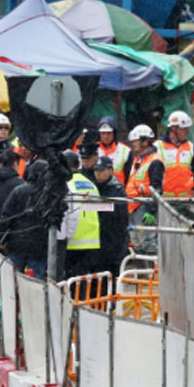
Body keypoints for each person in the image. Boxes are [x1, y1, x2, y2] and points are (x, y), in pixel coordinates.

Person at [0, 159, 50, 278]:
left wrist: (0, 238)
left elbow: (6, 216)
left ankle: (13, 296)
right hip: (40, 245)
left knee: (12, 278)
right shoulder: (49, 194)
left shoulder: (19, 191)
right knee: (36, 280)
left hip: (17, 243)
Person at [61, 150, 101, 279]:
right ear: (78, 164)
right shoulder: (90, 184)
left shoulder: (64, 184)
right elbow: (100, 209)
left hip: (72, 239)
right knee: (84, 280)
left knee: (71, 280)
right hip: (92, 239)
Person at [126, 124, 164, 255]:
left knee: (148, 244)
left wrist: (151, 210)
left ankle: (152, 273)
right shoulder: (138, 159)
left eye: (135, 142)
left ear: (145, 142)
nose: (133, 145)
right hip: (133, 205)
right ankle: (141, 272)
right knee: (137, 243)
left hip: (144, 207)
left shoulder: (154, 161)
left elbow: (157, 188)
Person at [92, 156, 129, 277]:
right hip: (98, 239)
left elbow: (119, 218)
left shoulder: (117, 190)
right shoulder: (93, 188)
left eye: (101, 171)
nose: (98, 174)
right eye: (96, 170)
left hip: (113, 241)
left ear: (110, 171)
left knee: (111, 274)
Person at [155, 110, 194, 198]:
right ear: (174, 128)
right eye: (184, 128)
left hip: (186, 199)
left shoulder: (190, 146)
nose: (187, 131)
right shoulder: (158, 146)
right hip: (164, 200)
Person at [97, 116, 132, 184]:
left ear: (114, 133)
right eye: (103, 133)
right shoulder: (93, 149)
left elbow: (128, 176)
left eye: (108, 133)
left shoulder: (126, 151)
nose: (105, 136)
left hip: (117, 191)